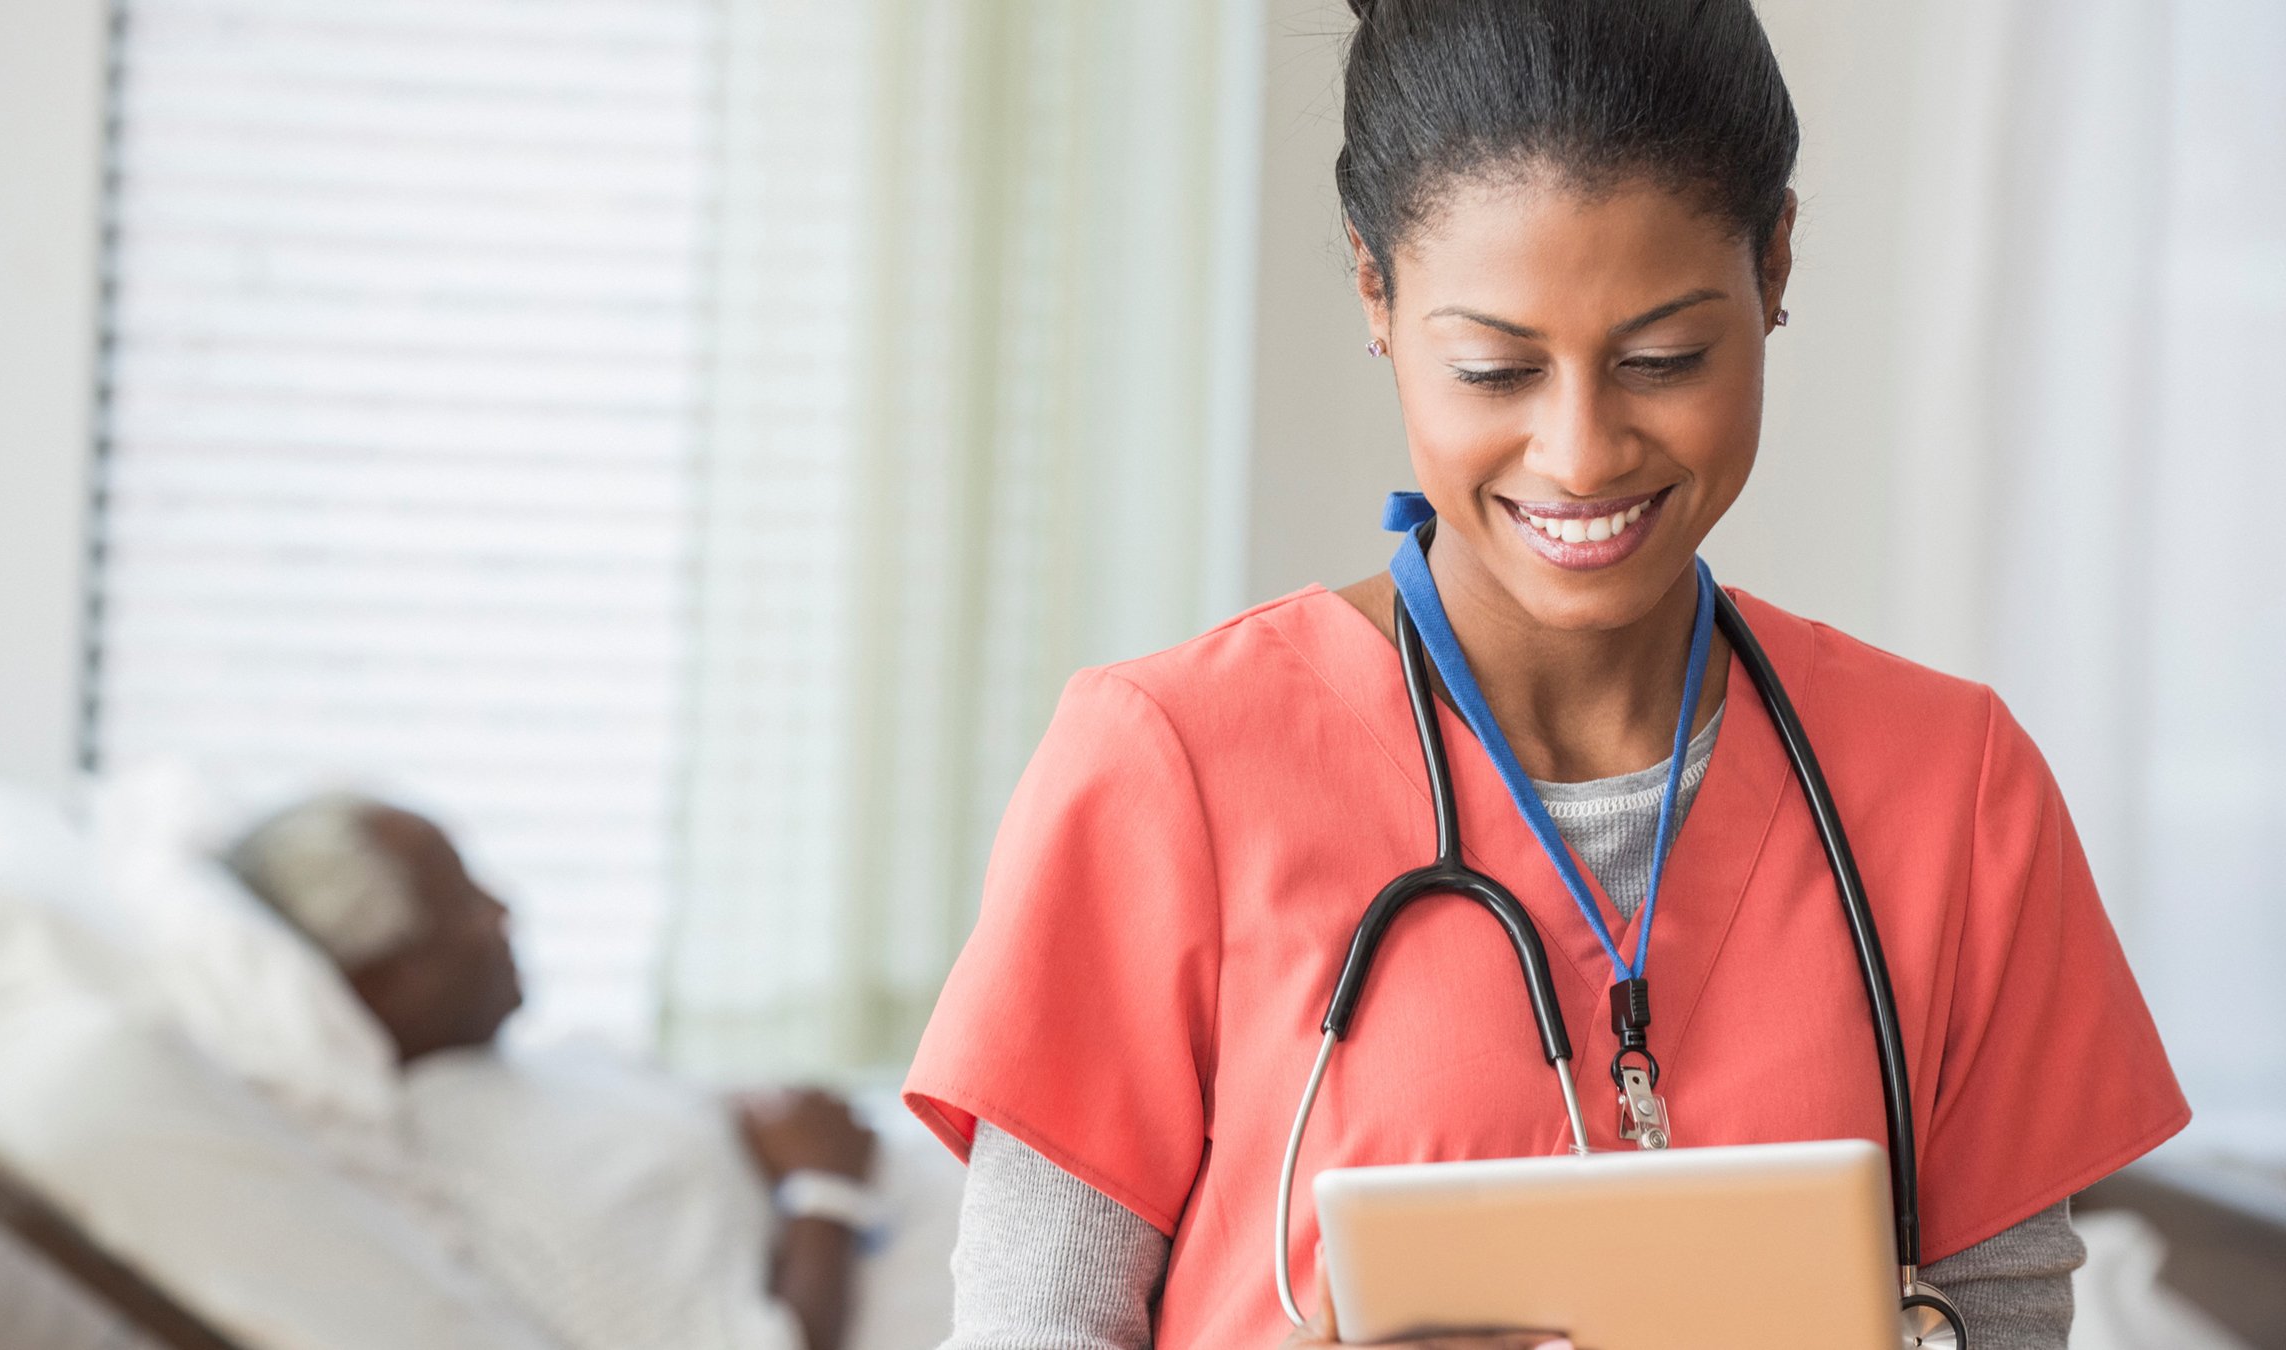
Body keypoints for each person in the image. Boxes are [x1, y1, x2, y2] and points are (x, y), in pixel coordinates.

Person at [900, 3, 2190, 1348]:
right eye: (1495, 367)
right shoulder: (1168, 766)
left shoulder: (1954, 795)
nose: (1578, 453)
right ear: (1375, 295)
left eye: (1663, 358)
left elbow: (2003, 1324)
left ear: (1778, 262)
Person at [224, 792, 891, 1350]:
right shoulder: (474, 1179)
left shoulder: (544, 1066)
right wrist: (824, 1191)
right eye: (460, 901)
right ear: (382, 979)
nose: (501, 911)